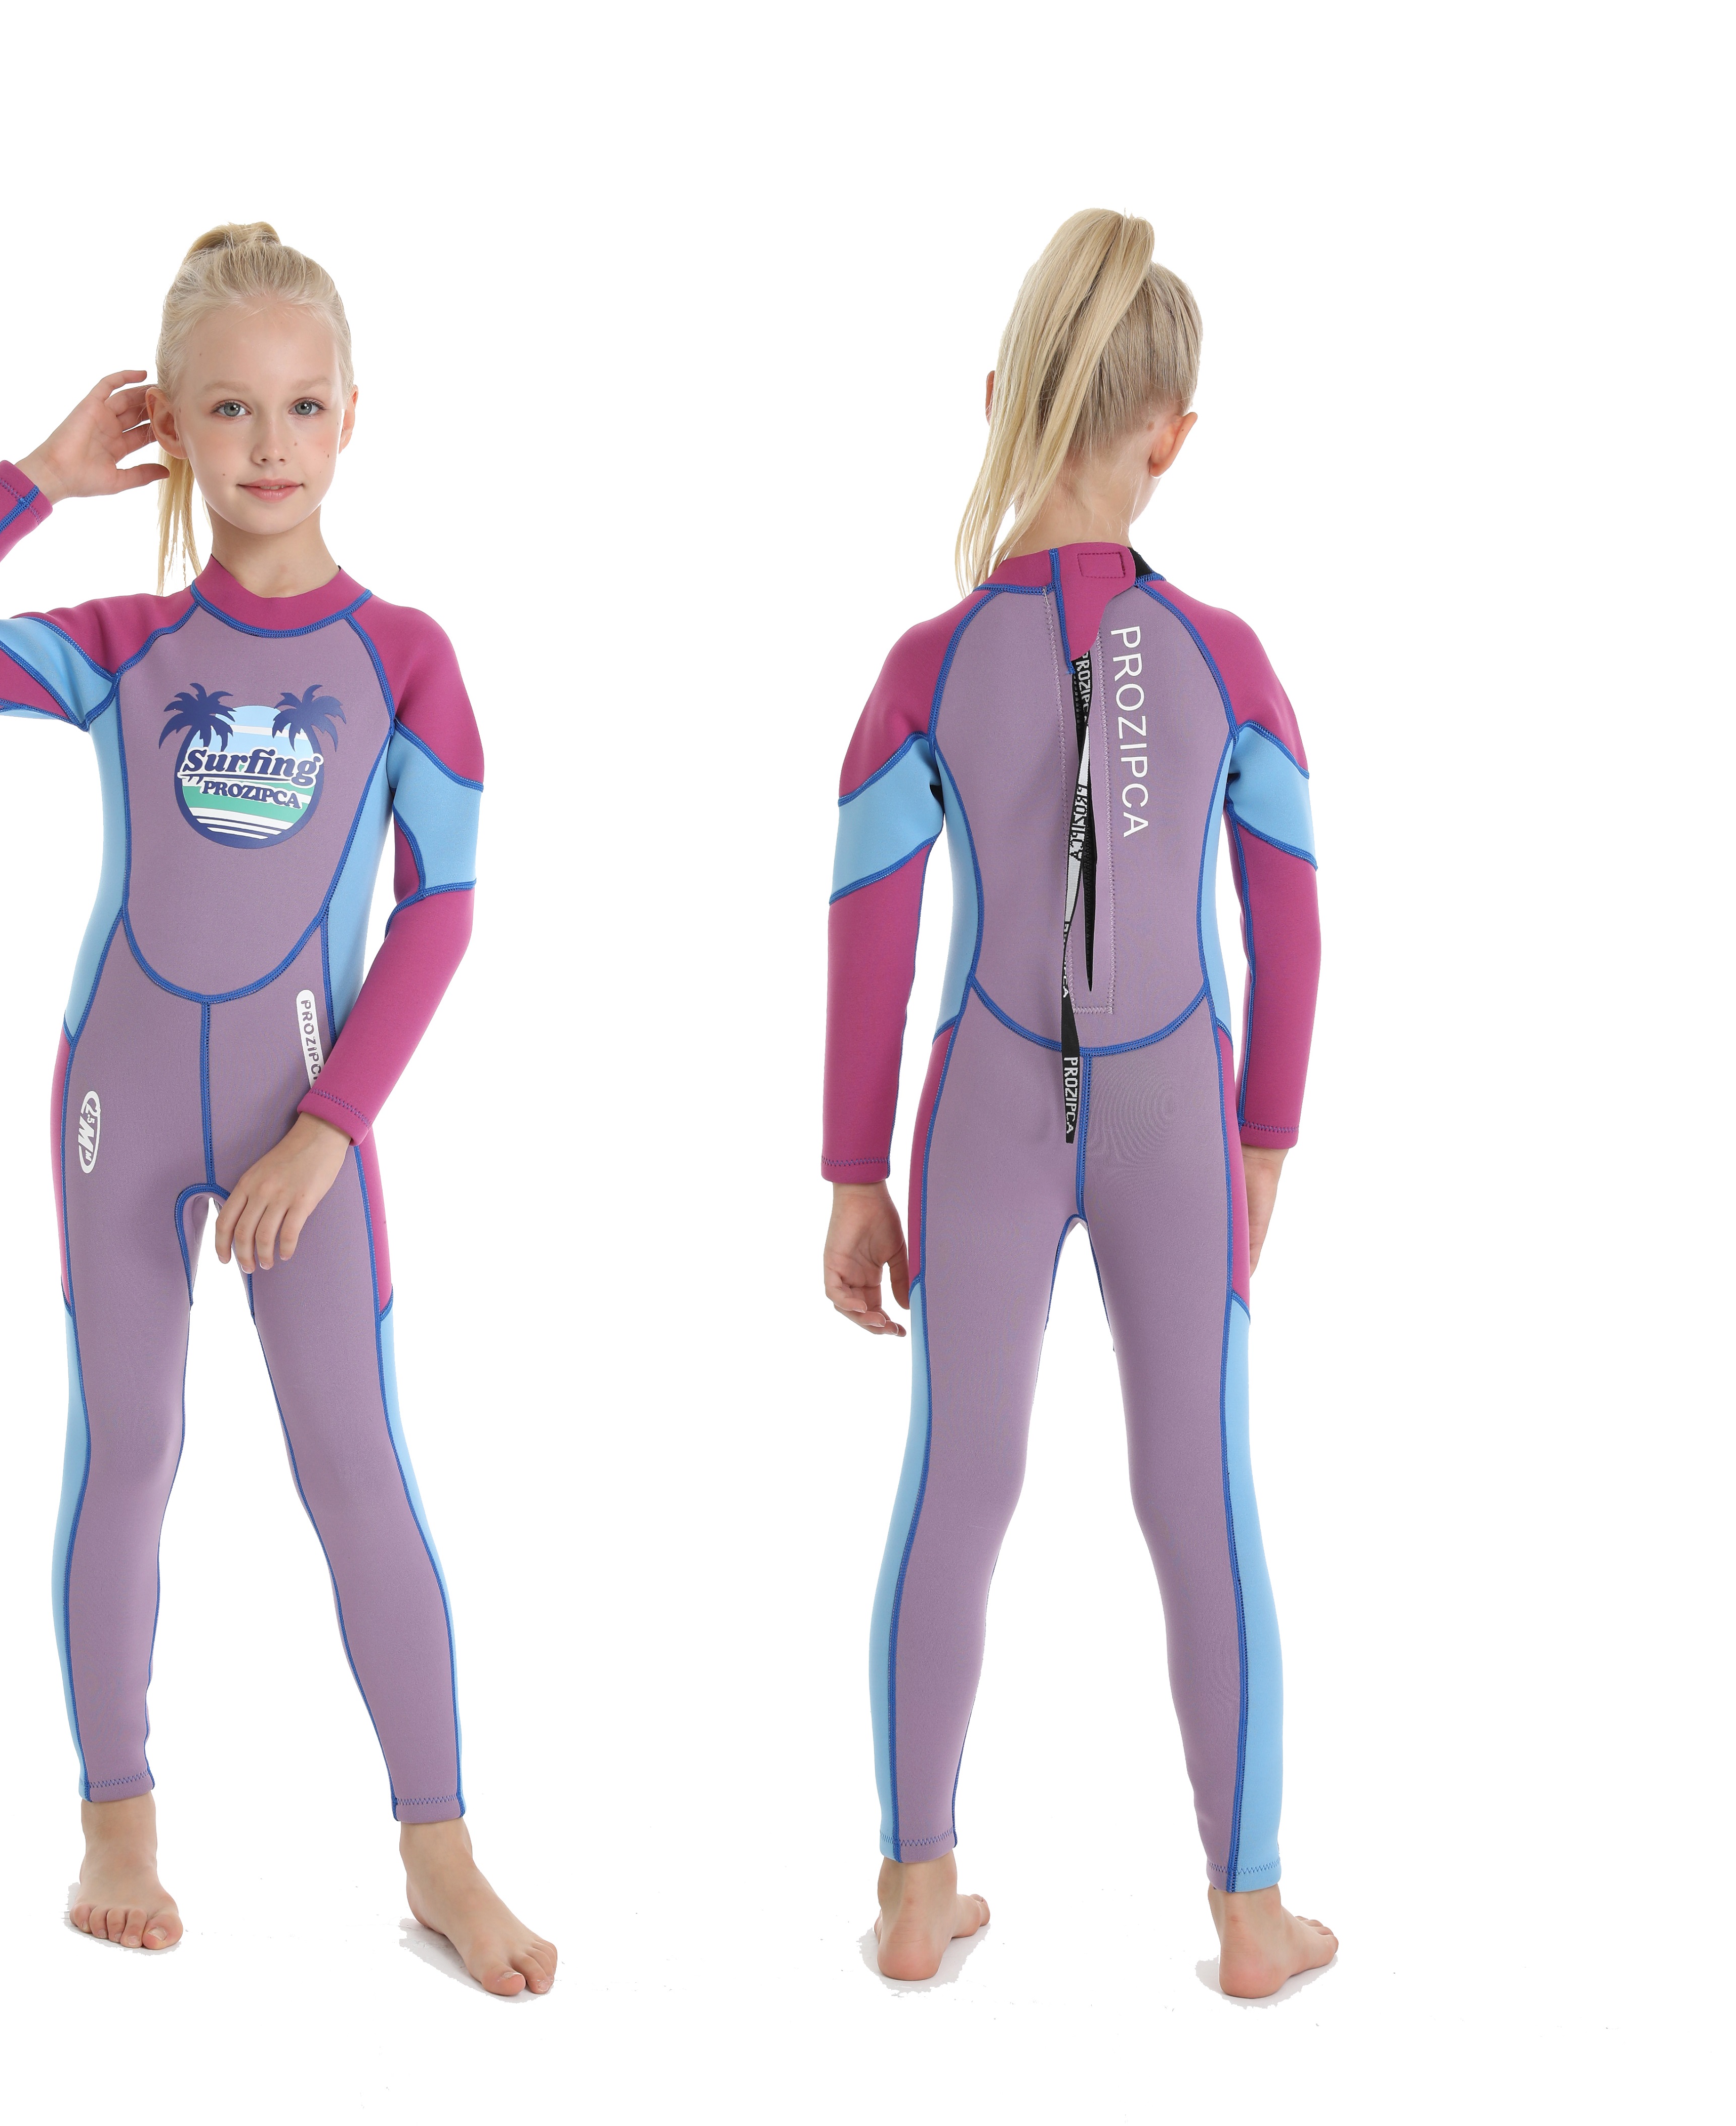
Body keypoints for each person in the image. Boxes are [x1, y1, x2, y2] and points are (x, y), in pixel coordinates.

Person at [0, 224, 554, 1994]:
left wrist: (329, 1129)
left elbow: (445, 910)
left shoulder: (406, 658)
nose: (269, 442)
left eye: (304, 405)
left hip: (305, 1130)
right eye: (227, 408)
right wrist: (38, 480)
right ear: (169, 422)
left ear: (353, 417)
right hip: (118, 1106)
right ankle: (118, 1819)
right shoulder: (126, 645)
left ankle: (442, 1850)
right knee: (130, 1450)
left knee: (356, 1465)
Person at [820, 209, 1336, 1998]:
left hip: (982, 1114)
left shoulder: (921, 670)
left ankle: (915, 1893)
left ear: (999, 399)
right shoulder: (1226, 661)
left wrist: (852, 1175)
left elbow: (868, 939)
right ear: (1171, 435)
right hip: (1177, 1113)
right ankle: (1250, 1915)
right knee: (1202, 1495)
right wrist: (1265, 1136)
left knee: (954, 1486)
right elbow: (1291, 921)